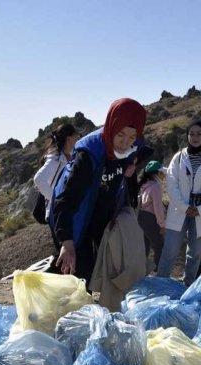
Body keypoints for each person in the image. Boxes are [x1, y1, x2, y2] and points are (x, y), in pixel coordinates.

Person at [49, 98, 146, 282]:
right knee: (79, 274)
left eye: (132, 137)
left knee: (102, 268)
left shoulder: (131, 147)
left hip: (100, 216)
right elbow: (65, 200)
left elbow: (144, 150)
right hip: (74, 217)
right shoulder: (88, 155)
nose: (125, 143)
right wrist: (66, 241)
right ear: (111, 127)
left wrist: (131, 169)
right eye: (120, 135)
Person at [157, 121, 201, 285]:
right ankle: (160, 285)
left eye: (199, 134)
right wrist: (185, 207)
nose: (195, 137)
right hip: (179, 210)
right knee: (170, 250)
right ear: (187, 136)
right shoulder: (178, 157)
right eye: (191, 134)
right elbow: (172, 184)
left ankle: (188, 285)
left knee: (195, 252)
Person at [33, 122, 79, 233]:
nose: (77, 140)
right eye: (76, 137)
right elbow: (38, 179)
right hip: (56, 213)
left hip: (67, 210)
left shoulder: (71, 155)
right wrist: (57, 200)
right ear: (68, 139)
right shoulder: (55, 158)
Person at [137, 160, 166, 271]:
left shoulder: (143, 185)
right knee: (159, 246)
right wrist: (162, 225)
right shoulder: (155, 187)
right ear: (156, 173)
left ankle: (140, 272)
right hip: (150, 219)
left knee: (145, 246)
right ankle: (157, 274)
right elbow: (158, 208)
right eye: (161, 172)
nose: (163, 175)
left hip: (141, 217)